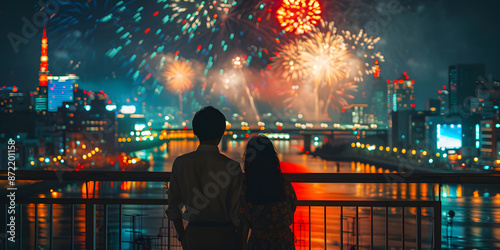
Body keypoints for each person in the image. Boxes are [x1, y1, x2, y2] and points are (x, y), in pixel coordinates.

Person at [166, 106, 244, 249]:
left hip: (194, 235)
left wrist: (183, 237)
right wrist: (240, 241)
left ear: (195, 131)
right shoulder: (232, 167)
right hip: (225, 236)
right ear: (222, 132)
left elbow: (173, 207)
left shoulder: (181, 163)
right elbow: (237, 213)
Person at [241, 135, 297, 249]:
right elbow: (293, 206)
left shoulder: (247, 186)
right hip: (284, 242)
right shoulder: (284, 184)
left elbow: (244, 219)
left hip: (259, 242)